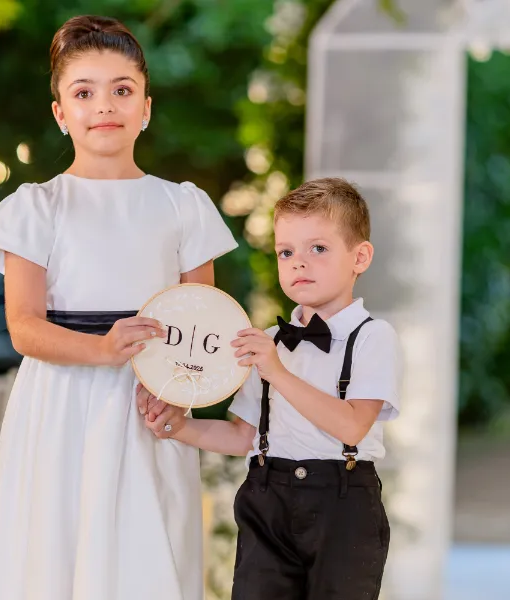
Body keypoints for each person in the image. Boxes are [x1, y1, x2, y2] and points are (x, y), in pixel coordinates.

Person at [0, 15, 238, 600]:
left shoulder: (182, 206)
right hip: (61, 403)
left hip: (150, 404)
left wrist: (179, 395)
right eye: (84, 92)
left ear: (146, 106)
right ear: (60, 112)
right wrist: (101, 348)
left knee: (147, 553)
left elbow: (206, 321)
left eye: (122, 89)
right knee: (57, 549)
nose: (104, 106)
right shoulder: (37, 207)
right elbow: (24, 327)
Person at [143, 178, 401, 600]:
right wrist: (179, 426)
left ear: (360, 257)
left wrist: (277, 372)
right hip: (266, 496)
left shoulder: (373, 337)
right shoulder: (270, 342)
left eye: (318, 248)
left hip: (343, 505)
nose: (299, 263)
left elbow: (352, 426)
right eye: (286, 252)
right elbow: (243, 435)